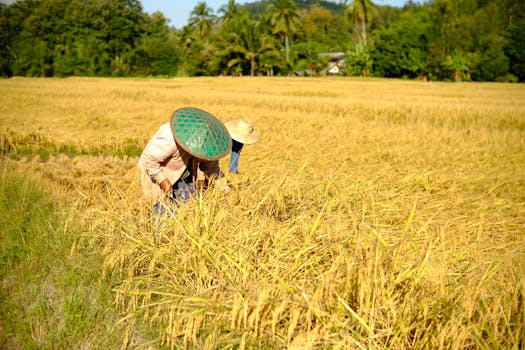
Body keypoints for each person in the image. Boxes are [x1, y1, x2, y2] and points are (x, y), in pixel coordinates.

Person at [138, 107, 232, 223]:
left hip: (186, 172)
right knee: (163, 209)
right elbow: (149, 160)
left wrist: (224, 186)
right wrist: (163, 181)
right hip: (160, 171)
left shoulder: (207, 143)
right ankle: (160, 234)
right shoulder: (168, 139)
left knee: (185, 207)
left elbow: (211, 168)